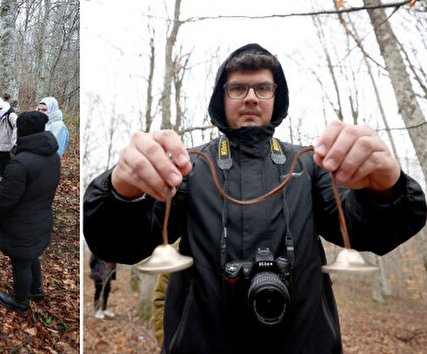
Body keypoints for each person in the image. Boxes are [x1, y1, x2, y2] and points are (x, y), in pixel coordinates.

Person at [83, 44, 427, 353]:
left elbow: (372, 231)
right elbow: (118, 244)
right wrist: (119, 192)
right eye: (237, 88)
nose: (251, 97)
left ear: (276, 97)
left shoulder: (310, 165)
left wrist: (386, 188)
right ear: (222, 98)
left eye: (263, 87)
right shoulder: (189, 167)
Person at [0, 111, 61, 313]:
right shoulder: (52, 155)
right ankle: (36, 290)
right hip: (42, 216)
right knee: (32, 255)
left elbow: (7, 199)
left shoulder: (21, 163)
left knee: (20, 260)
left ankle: (20, 301)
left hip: (23, 221)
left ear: (23, 131)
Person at [89, 253, 116, 320]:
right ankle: (97, 310)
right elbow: (91, 262)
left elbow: (113, 264)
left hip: (109, 273)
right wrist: (97, 270)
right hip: (98, 273)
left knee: (106, 291)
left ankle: (104, 309)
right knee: (98, 291)